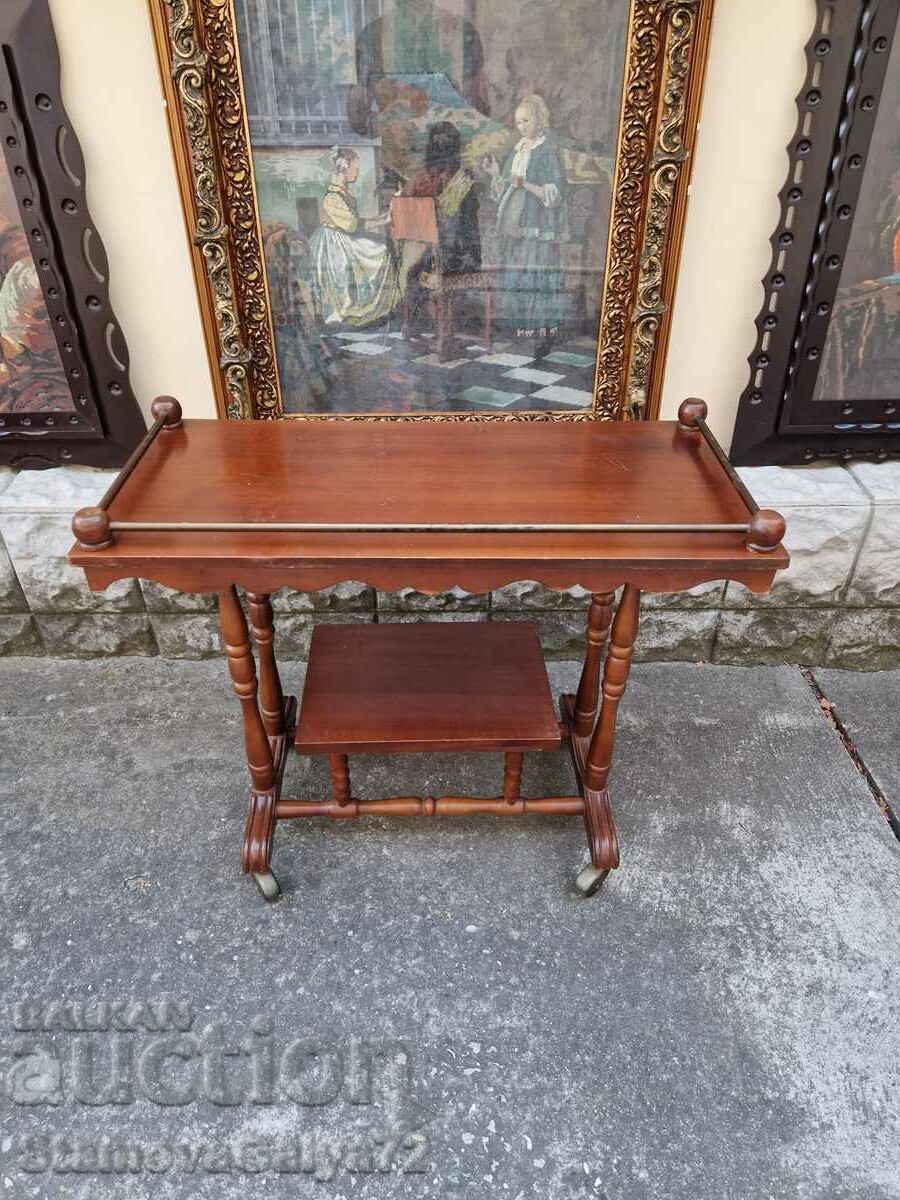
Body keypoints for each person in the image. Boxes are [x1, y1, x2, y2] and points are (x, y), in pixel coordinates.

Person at [482, 95, 567, 336]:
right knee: (516, 270)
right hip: (514, 221)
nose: (522, 127)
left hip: (537, 222)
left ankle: (538, 326)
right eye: (518, 122)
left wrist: (524, 183)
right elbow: (504, 189)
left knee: (535, 270)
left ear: (539, 120)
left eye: (526, 121)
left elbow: (554, 195)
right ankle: (517, 325)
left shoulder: (548, 151)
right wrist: (495, 174)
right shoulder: (517, 150)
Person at [308, 147, 399, 328]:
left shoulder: (343, 193)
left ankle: (382, 306)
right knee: (381, 249)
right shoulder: (332, 197)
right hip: (334, 243)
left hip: (345, 236)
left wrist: (383, 217)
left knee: (383, 246)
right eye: (355, 168)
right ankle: (363, 308)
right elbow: (351, 225)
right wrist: (385, 221)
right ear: (344, 168)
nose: (357, 172)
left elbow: (356, 222)